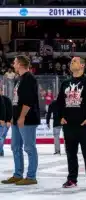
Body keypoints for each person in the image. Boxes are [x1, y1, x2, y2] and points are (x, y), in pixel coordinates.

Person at [57, 56, 86, 188]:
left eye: (74, 61)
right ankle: (72, 179)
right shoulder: (65, 83)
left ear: (82, 65)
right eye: (71, 62)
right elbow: (59, 102)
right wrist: (60, 116)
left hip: (84, 124)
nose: (71, 63)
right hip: (68, 125)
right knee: (71, 154)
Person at [1, 55, 40, 185]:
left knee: (29, 147)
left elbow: (29, 101)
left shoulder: (29, 78)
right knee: (15, 147)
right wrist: (13, 117)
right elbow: (17, 101)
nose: (13, 64)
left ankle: (31, 176)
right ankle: (18, 174)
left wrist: (22, 116)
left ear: (21, 64)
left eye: (15, 62)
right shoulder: (19, 78)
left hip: (27, 119)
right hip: (17, 119)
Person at [0, 87, 9, 156]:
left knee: (2, 137)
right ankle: (1, 150)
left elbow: (10, 110)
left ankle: (0, 150)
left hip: (4, 122)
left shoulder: (6, 99)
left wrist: (8, 120)